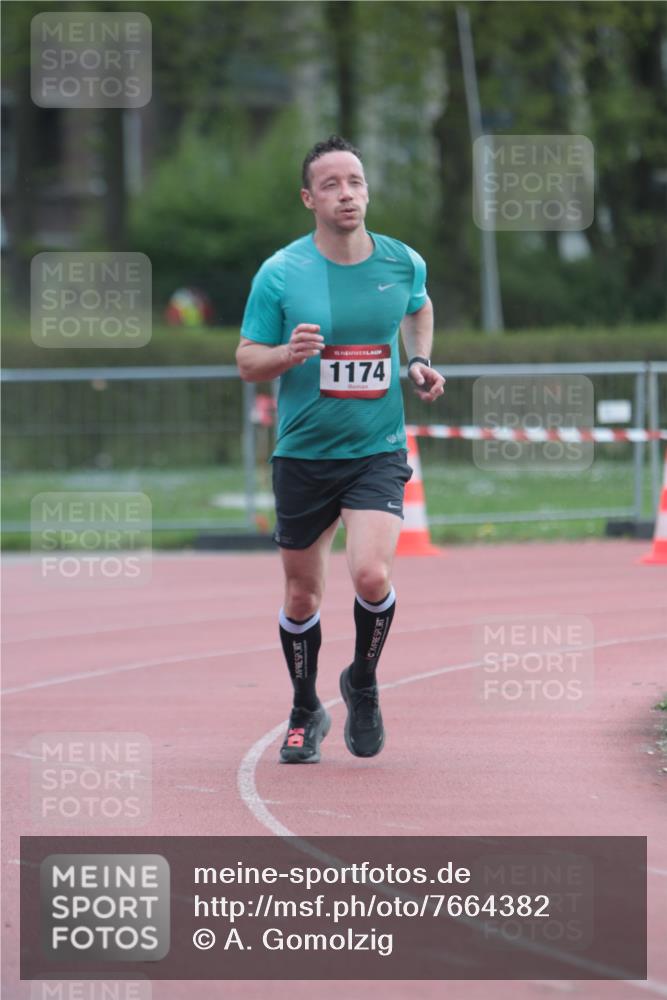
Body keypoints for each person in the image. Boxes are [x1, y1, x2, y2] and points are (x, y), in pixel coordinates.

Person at [236, 135, 445, 764]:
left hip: (376, 449)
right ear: (309, 199)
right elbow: (247, 361)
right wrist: (286, 354)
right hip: (304, 454)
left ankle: (363, 681)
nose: (346, 194)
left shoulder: (403, 261)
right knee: (302, 595)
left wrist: (419, 361)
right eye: (330, 185)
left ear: (367, 191)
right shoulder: (281, 272)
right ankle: (306, 707)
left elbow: (419, 308)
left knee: (372, 575)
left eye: (354, 181)